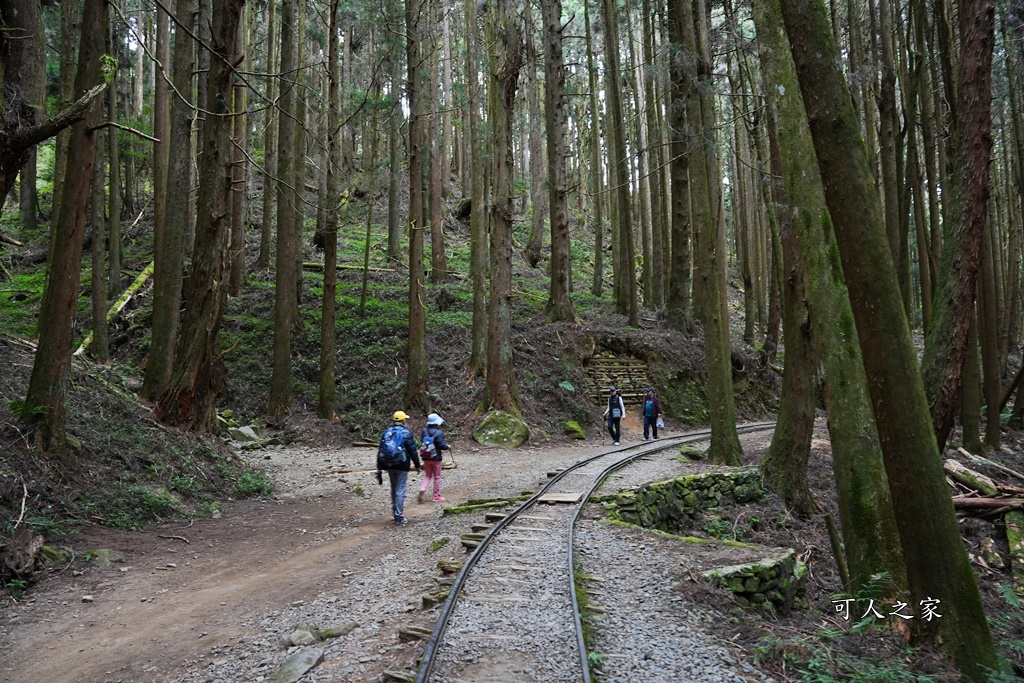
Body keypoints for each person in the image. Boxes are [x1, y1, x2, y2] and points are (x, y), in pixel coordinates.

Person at [376, 411, 421, 525]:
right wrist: (417, 465)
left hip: (388, 464)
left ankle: (395, 512)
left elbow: (381, 450)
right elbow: (412, 451)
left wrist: (379, 467)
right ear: (403, 420)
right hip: (402, 465)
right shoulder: (406, 433)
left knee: (394, 487)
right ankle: (399, 515)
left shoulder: (387, 432)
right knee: (400, 489)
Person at [417, 413, 451, 503]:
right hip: (436, 458)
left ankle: (422, 489)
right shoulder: (438, 433)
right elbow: (441, 445)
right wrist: (447, 446)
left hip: (426, 457)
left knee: (428, 475)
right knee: (437, 477)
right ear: (436, 423)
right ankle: (435, 496)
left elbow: (423, 442)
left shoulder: (424, 431)